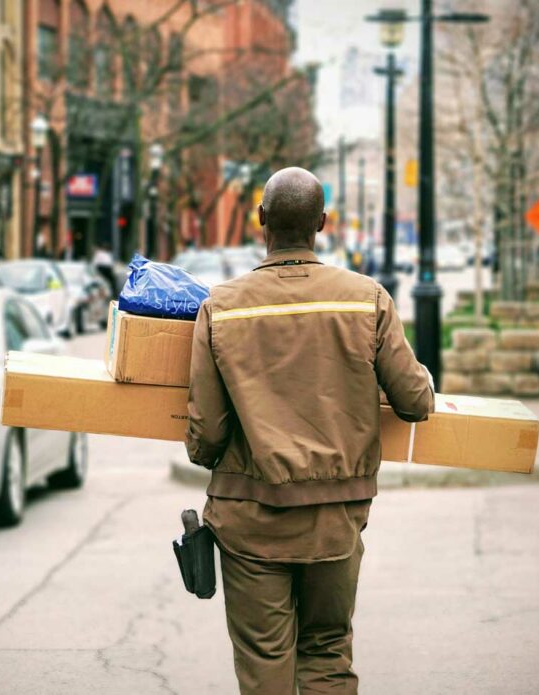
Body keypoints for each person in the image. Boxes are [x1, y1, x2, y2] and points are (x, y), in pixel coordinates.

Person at [185, 167, 434, 694]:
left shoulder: (222, 307)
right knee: (325, 653)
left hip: (249, 519)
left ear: (261, 222)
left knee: (265, 660)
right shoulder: (366, 299)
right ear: (322, 222)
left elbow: (205, 436)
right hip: (335, 521)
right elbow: (414, 403)